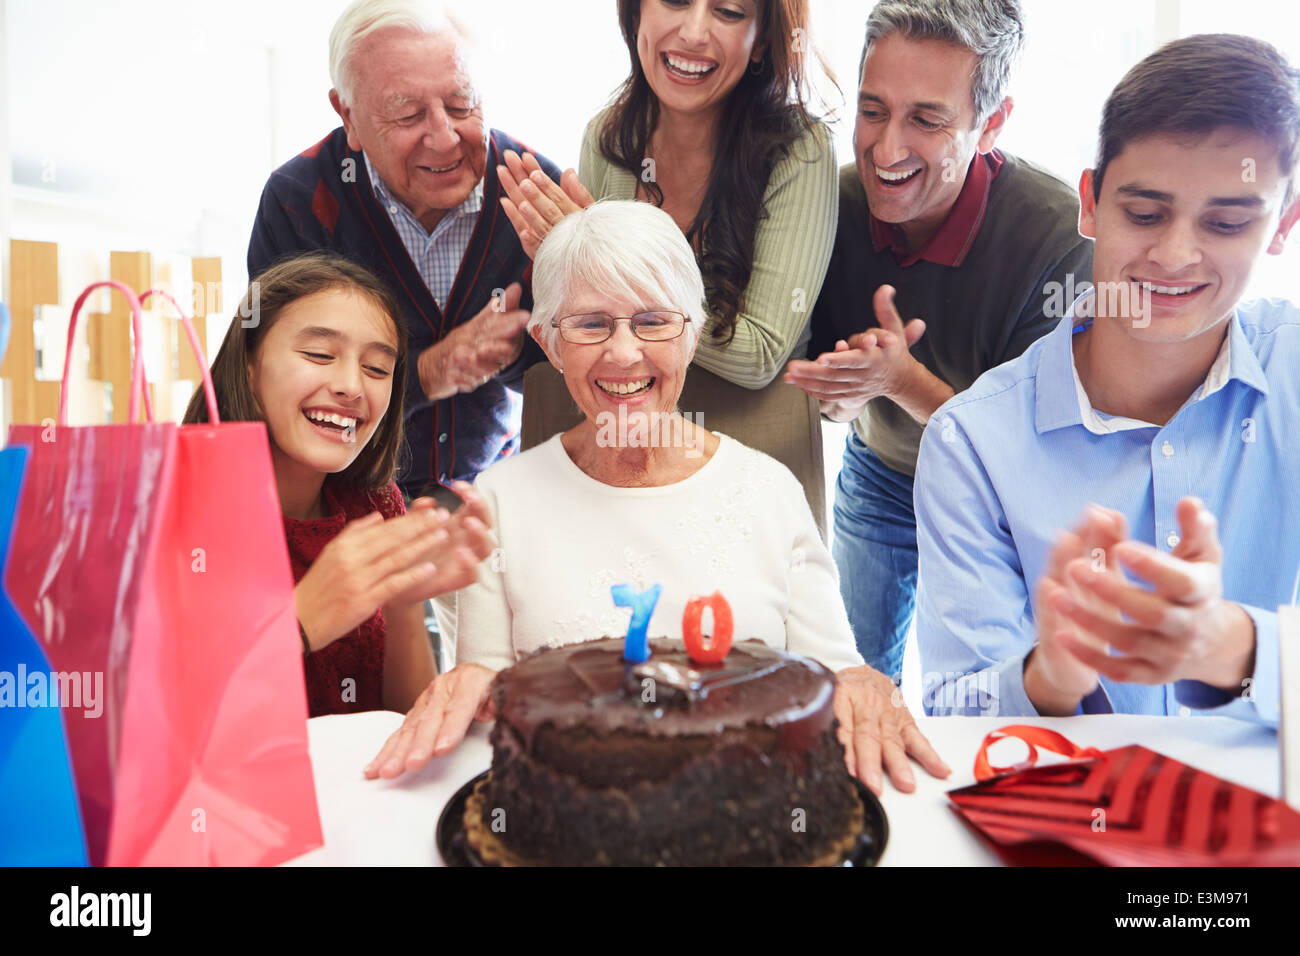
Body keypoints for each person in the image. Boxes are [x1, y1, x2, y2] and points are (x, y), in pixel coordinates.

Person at [364, 202, 950, 796]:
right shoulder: (498, 502)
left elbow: (836, 673)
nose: (623, 353)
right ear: (548, 341)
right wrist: (464, 679)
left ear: (692, 336)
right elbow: (484, 689)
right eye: (590, 324)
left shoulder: (770, 490)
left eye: (652, 322)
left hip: (746, 809)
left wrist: (866, 683)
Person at [913, 34, 1300, 724]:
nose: (1175, 255)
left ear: (1282, 225)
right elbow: (955, 710)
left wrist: (1234, 648)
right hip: (1070, 826)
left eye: (1227, 222)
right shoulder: (971, 444)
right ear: (1089, 204)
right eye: (1144, 215)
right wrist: (1050, 677)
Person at [783, 0, 1093, 680]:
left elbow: (1022, 453)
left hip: (1007, 502)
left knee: (989, 694)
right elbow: (824, 393)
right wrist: (843, 393)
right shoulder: (826, 207)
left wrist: (899, 380)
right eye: (872, 110)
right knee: (852, 677)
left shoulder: (1060, 239)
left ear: (992, 124)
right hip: (883, 472)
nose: (887, 149)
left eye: (926, 119)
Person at [494, 0, 840, 527]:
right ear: (635, 14)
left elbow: (760, 354)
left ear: (763, 41)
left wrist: (616, 266)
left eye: (728, 11)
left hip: (747, 458)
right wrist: (573, 268)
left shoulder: (801, 151)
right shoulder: (608, 139)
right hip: (621, 453)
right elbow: (595, 332)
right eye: (675, 1)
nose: (694, 32)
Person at [247, 0, 561, 503]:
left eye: (462, 105)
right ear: (347, 114)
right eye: (407, 113)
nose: (443, 138)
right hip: (343, 503)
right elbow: (278, 382)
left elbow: (582, 372)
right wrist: (429, 370)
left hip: (497, 498)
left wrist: (578, 291)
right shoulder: (301, 200)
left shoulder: (536, 190)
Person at [183, 252, 493, 717]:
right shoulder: (172, 512)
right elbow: (159, 727)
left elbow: (403, 720)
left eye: (376, 369)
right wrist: (299, 622)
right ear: (248, 366)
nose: (351, 386)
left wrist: (405, 598)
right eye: (319, 355)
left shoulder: (374, 502)